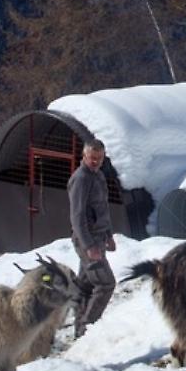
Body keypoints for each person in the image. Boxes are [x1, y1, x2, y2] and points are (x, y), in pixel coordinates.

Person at [67, 139, 117, 339]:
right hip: (87, 240)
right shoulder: (81, 179)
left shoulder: (98, 176)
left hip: (99, 238)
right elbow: (77, 217)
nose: (96, 162)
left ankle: (80, 333)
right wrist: (88, 246)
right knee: (106, 284)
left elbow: (103, 209)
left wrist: (109, 235)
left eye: (99, 158)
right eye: (92, 158)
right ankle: (88, 328)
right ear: (84, 156)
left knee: (85, 286)